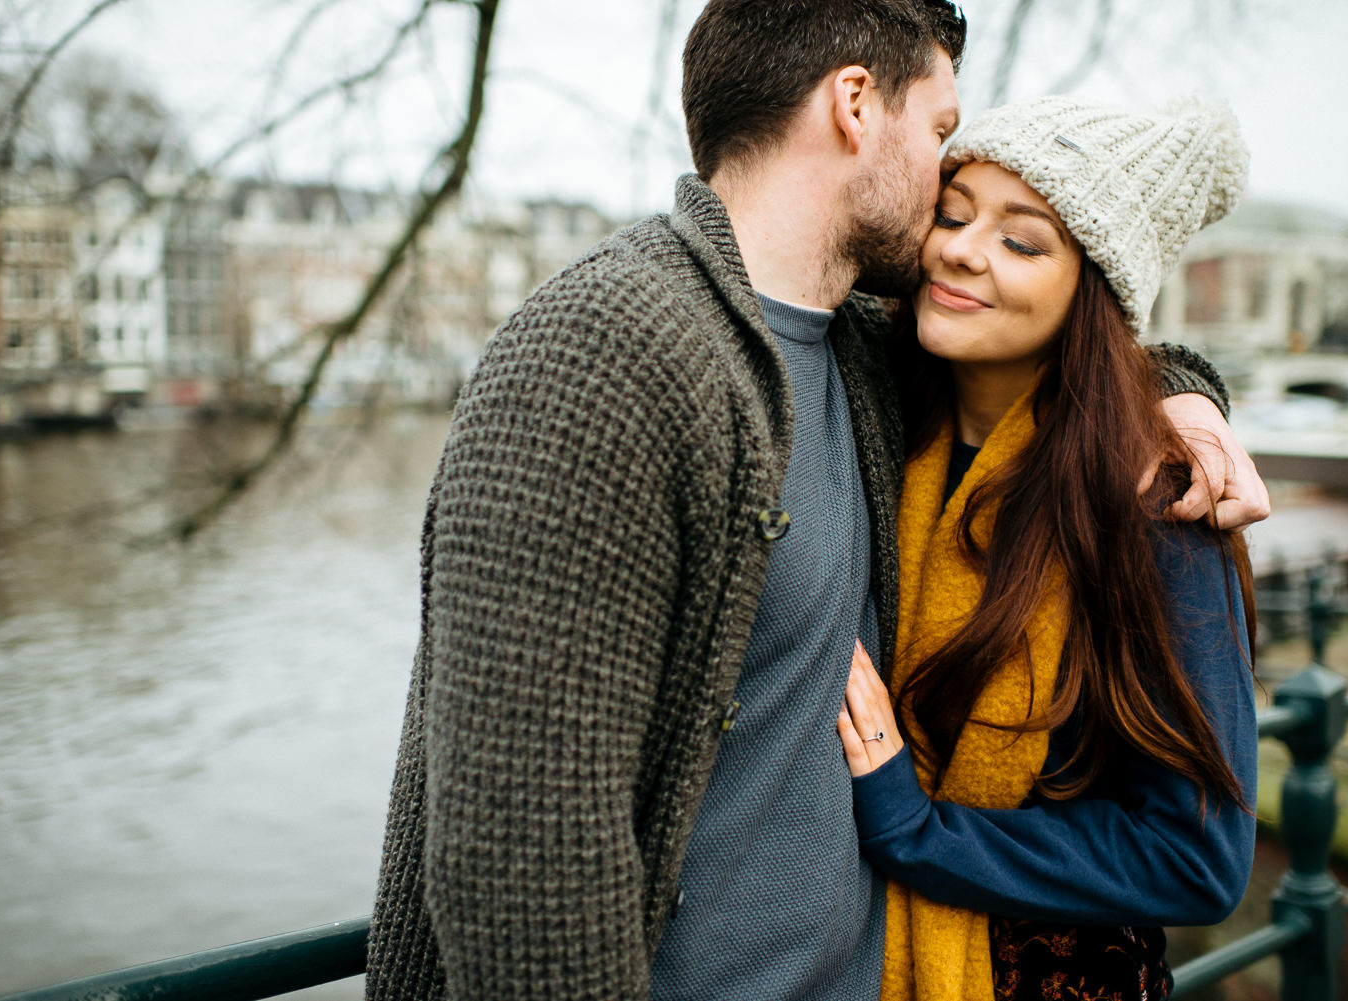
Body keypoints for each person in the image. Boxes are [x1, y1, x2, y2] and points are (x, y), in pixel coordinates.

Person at [363, 3, 1269, 999]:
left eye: (1012, 234)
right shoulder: (611, 350)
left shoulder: (860, 357)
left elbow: (1078, 356)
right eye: (939, 136)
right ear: (852, 105)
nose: (947, 215)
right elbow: (523, 861)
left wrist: (1178, 395)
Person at [837, 94, 1260, 1001]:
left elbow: (1199, 857)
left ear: (1092, 291)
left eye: (1023, 242)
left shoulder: (1157, 502)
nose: (961, 247)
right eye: (952, 213)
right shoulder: (878, 417)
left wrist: (917, 828)